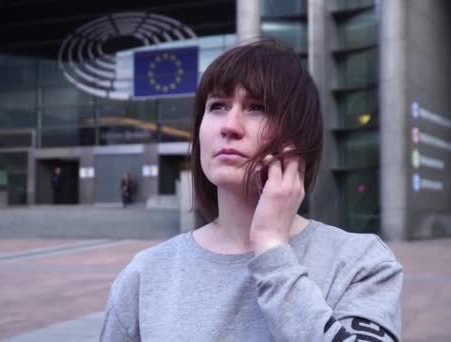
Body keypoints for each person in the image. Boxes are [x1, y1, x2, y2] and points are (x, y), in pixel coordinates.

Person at [100, 40, 403, 341]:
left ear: (298, 139)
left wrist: (272, 248)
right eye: (217, 106)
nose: (230, 126)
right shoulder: (145, 276)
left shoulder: (360, 263)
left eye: (257, 107)